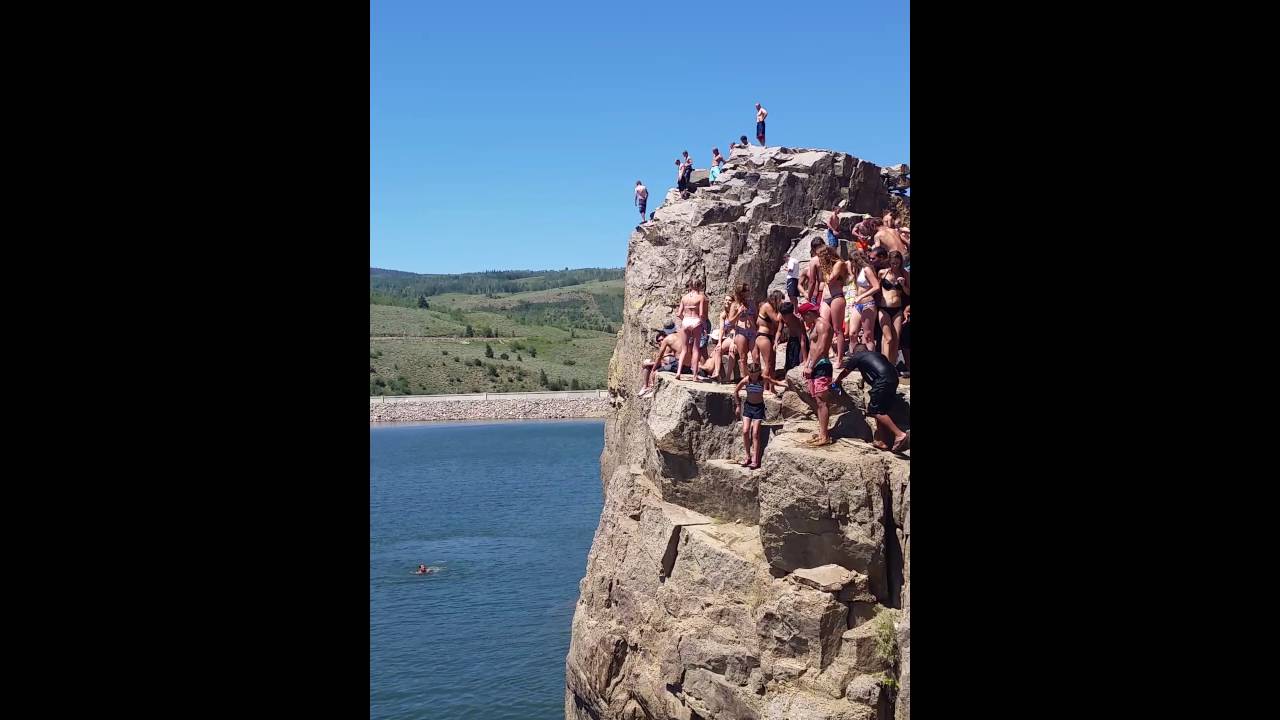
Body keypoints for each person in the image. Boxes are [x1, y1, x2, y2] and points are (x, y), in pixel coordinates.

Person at [833, 344, 910, 453]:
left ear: (855, 352)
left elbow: (845, 372)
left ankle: (900, 435)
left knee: (875, 411)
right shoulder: (878, 355)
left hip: (882, 382)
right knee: (882, 411)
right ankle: (882, 441)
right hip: (893, 380)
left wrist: (836, 381)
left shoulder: (857, 357)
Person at [732, 362, 787, 469]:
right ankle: (747, 456)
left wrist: (787, 384)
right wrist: (738, 405)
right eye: (752, 374)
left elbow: (775, 382)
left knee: (756, 433)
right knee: (745, 431)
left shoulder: (762, 379)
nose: (753, 376)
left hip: (758, 407)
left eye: (755, 374)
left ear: (759, 373)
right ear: (749, 373)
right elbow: (736, 391)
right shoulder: (746, 380)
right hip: (748, 406)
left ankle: (755, 460)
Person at [797, 302, 835, 446]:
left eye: (803, 316)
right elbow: (812, 347)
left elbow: (821, 348)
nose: (803, 319)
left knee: (822, 402)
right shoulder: (815, 325)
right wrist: (806, 365)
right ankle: (821, 434)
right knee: (818, 402)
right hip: (815, 366)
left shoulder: (822, 325)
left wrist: (811, 366)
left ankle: (825, 436)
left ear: (808, 314)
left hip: (821, 366)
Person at [816, 245, 851, 361]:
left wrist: (824, 267)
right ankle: (826, 352)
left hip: (837, 297)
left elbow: (831, 279)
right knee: (823, 326)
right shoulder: (826, 267)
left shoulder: (839, 264)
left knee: (837, 329)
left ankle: (840, 358)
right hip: (826, 298)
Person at [877, 251, 910, 366]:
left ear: (900, 262)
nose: (894, 265)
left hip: (897, 310)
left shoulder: (904, 274)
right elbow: (876, 288)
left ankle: (891, 366)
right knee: (888, 338)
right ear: (889, 262)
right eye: (892, 263)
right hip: (884, 308)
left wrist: (903, 285)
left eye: (897, 263)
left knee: (896, 340)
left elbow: (908, 292)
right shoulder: (883, 273)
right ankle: (884, 365)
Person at [847, 250, 881, 349]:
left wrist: (861, 296)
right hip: (858, 305)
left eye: (852, 261)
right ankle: (854, 358)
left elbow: (876, 286)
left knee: (868, 335)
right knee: (852, 333)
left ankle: (871, 359)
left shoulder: (867, 269)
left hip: (868, 303)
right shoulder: (857, 270)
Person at [676, 278, 707, 382]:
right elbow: (702, 313)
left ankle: (678, 372)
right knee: (696, 349)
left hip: (686, 320)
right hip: (696, 320)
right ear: (699, 286)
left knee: (684, 349)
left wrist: (684, 319)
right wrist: (704, 326)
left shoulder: (684, 298)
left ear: (690, 286)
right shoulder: (701, 297)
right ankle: (694, 375)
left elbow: (679, 313)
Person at [755, 289, 787, 383]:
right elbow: (777, 320)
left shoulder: (771, 307)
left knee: (772, 364)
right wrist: (782, 309)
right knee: (768, 364)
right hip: (764, 336)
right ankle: (764, 387)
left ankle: (771, 387)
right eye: (781, 299)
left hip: (769, 336)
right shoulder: (767, 306)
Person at [730, 284, 758, 381]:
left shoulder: (751, 303)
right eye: (746, 291)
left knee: (756, 356)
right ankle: (745, 380)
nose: (748, 293)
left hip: (751, 330)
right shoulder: (735, 305)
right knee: (743, 357)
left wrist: (750, 317)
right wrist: (738, 313)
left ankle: (756, 379)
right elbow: (730, 321)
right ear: (741, 293)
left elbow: (756, 318)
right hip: (741, 331)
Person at [778, 300, 809, 373]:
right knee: (789, 361)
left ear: (791, 313)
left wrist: (805, 359)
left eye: (786, 315)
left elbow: (802, 340)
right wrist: (776, 341)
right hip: (791, 340)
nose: (784, 316)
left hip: (800, 342)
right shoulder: (782, 318)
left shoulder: (798, 321)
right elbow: (779, 330)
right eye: (783, 314)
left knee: (797, 361)